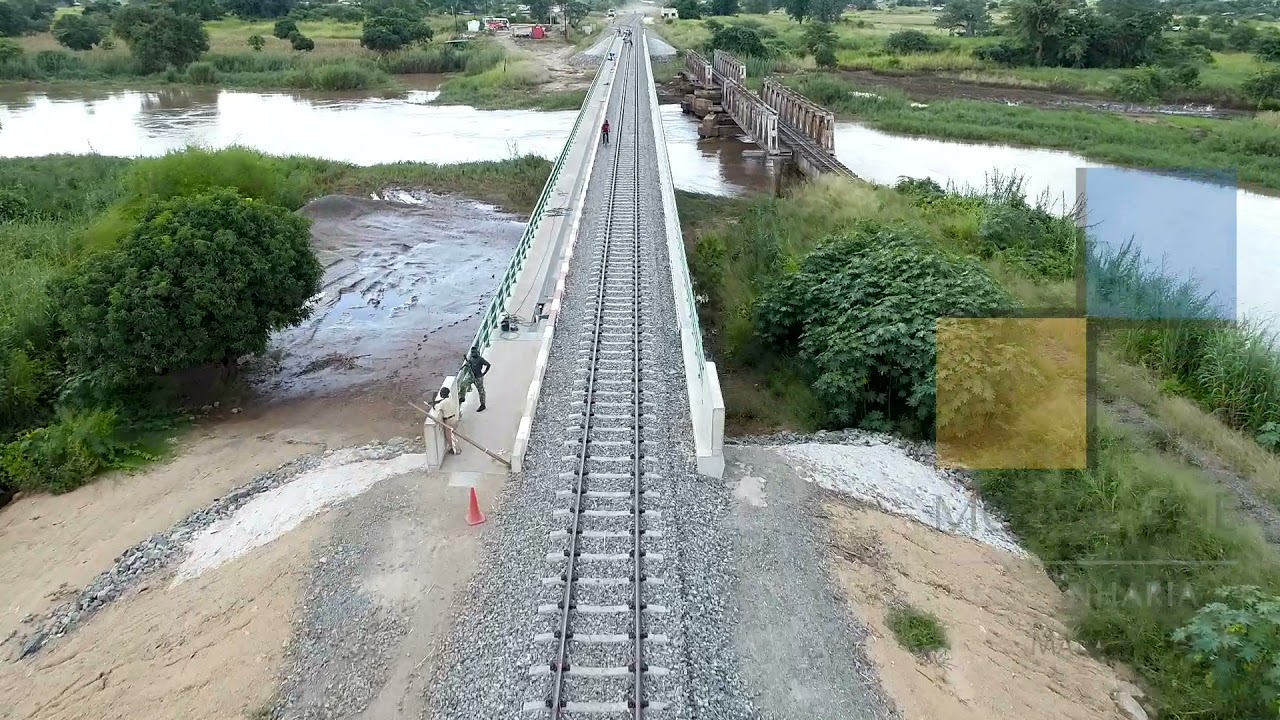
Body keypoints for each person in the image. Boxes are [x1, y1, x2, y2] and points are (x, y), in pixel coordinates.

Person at [430, 386, 460, 455]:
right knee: (453, 434)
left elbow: (436, 408)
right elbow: (443, 401)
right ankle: (456, 447)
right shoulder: (450, 398)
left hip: (448, 420)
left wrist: (433, 400)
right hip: (454, 417)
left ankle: (454, 449)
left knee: (449, 435)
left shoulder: (443, 403)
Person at [467, 346, 491, 412]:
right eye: (472, 353)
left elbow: (488, 365)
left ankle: (483, 405)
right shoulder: (471, 359)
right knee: (464, 384)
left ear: (477, 352)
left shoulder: (480, 359)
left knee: (481, 391)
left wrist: (484, 373)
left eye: (474, 352)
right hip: (472, 376)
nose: (473, 354)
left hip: (478, 377)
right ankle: (462, 397)